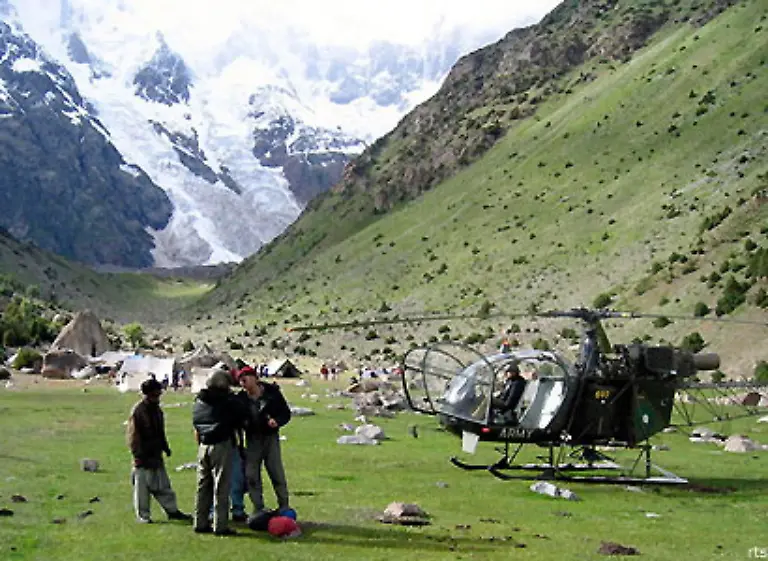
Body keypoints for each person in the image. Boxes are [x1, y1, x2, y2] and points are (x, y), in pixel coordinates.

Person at [126, 378, 192, 524]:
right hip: (142, 456)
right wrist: (138, 455)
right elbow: (133, 436)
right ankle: (143, 516)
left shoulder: (157, 410)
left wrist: (165, 447)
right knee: (142, 490)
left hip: (156, 454)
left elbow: (160, 431)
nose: (158, 397)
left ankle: (172, 510)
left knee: (163, 486)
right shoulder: (138, 411)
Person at [192, 369, 248, 535]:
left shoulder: (199, 401)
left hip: (203, 445)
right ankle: (220, 525)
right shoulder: (226, 402)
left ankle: (200, 521)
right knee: (221, 487)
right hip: (221, 444)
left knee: (203, 485)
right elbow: (240, 417)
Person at [237, 368, 292, 516]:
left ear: (255, 378)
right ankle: (258, 507)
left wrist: (277, 421)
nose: (243, 382)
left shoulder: (272, 393)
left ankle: (284, 506)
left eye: (245, 378)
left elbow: (286, 413)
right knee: (252, 474)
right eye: (240, 379)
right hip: (252, 439)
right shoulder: (240, 398)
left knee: (276, 471)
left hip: (270, 438)